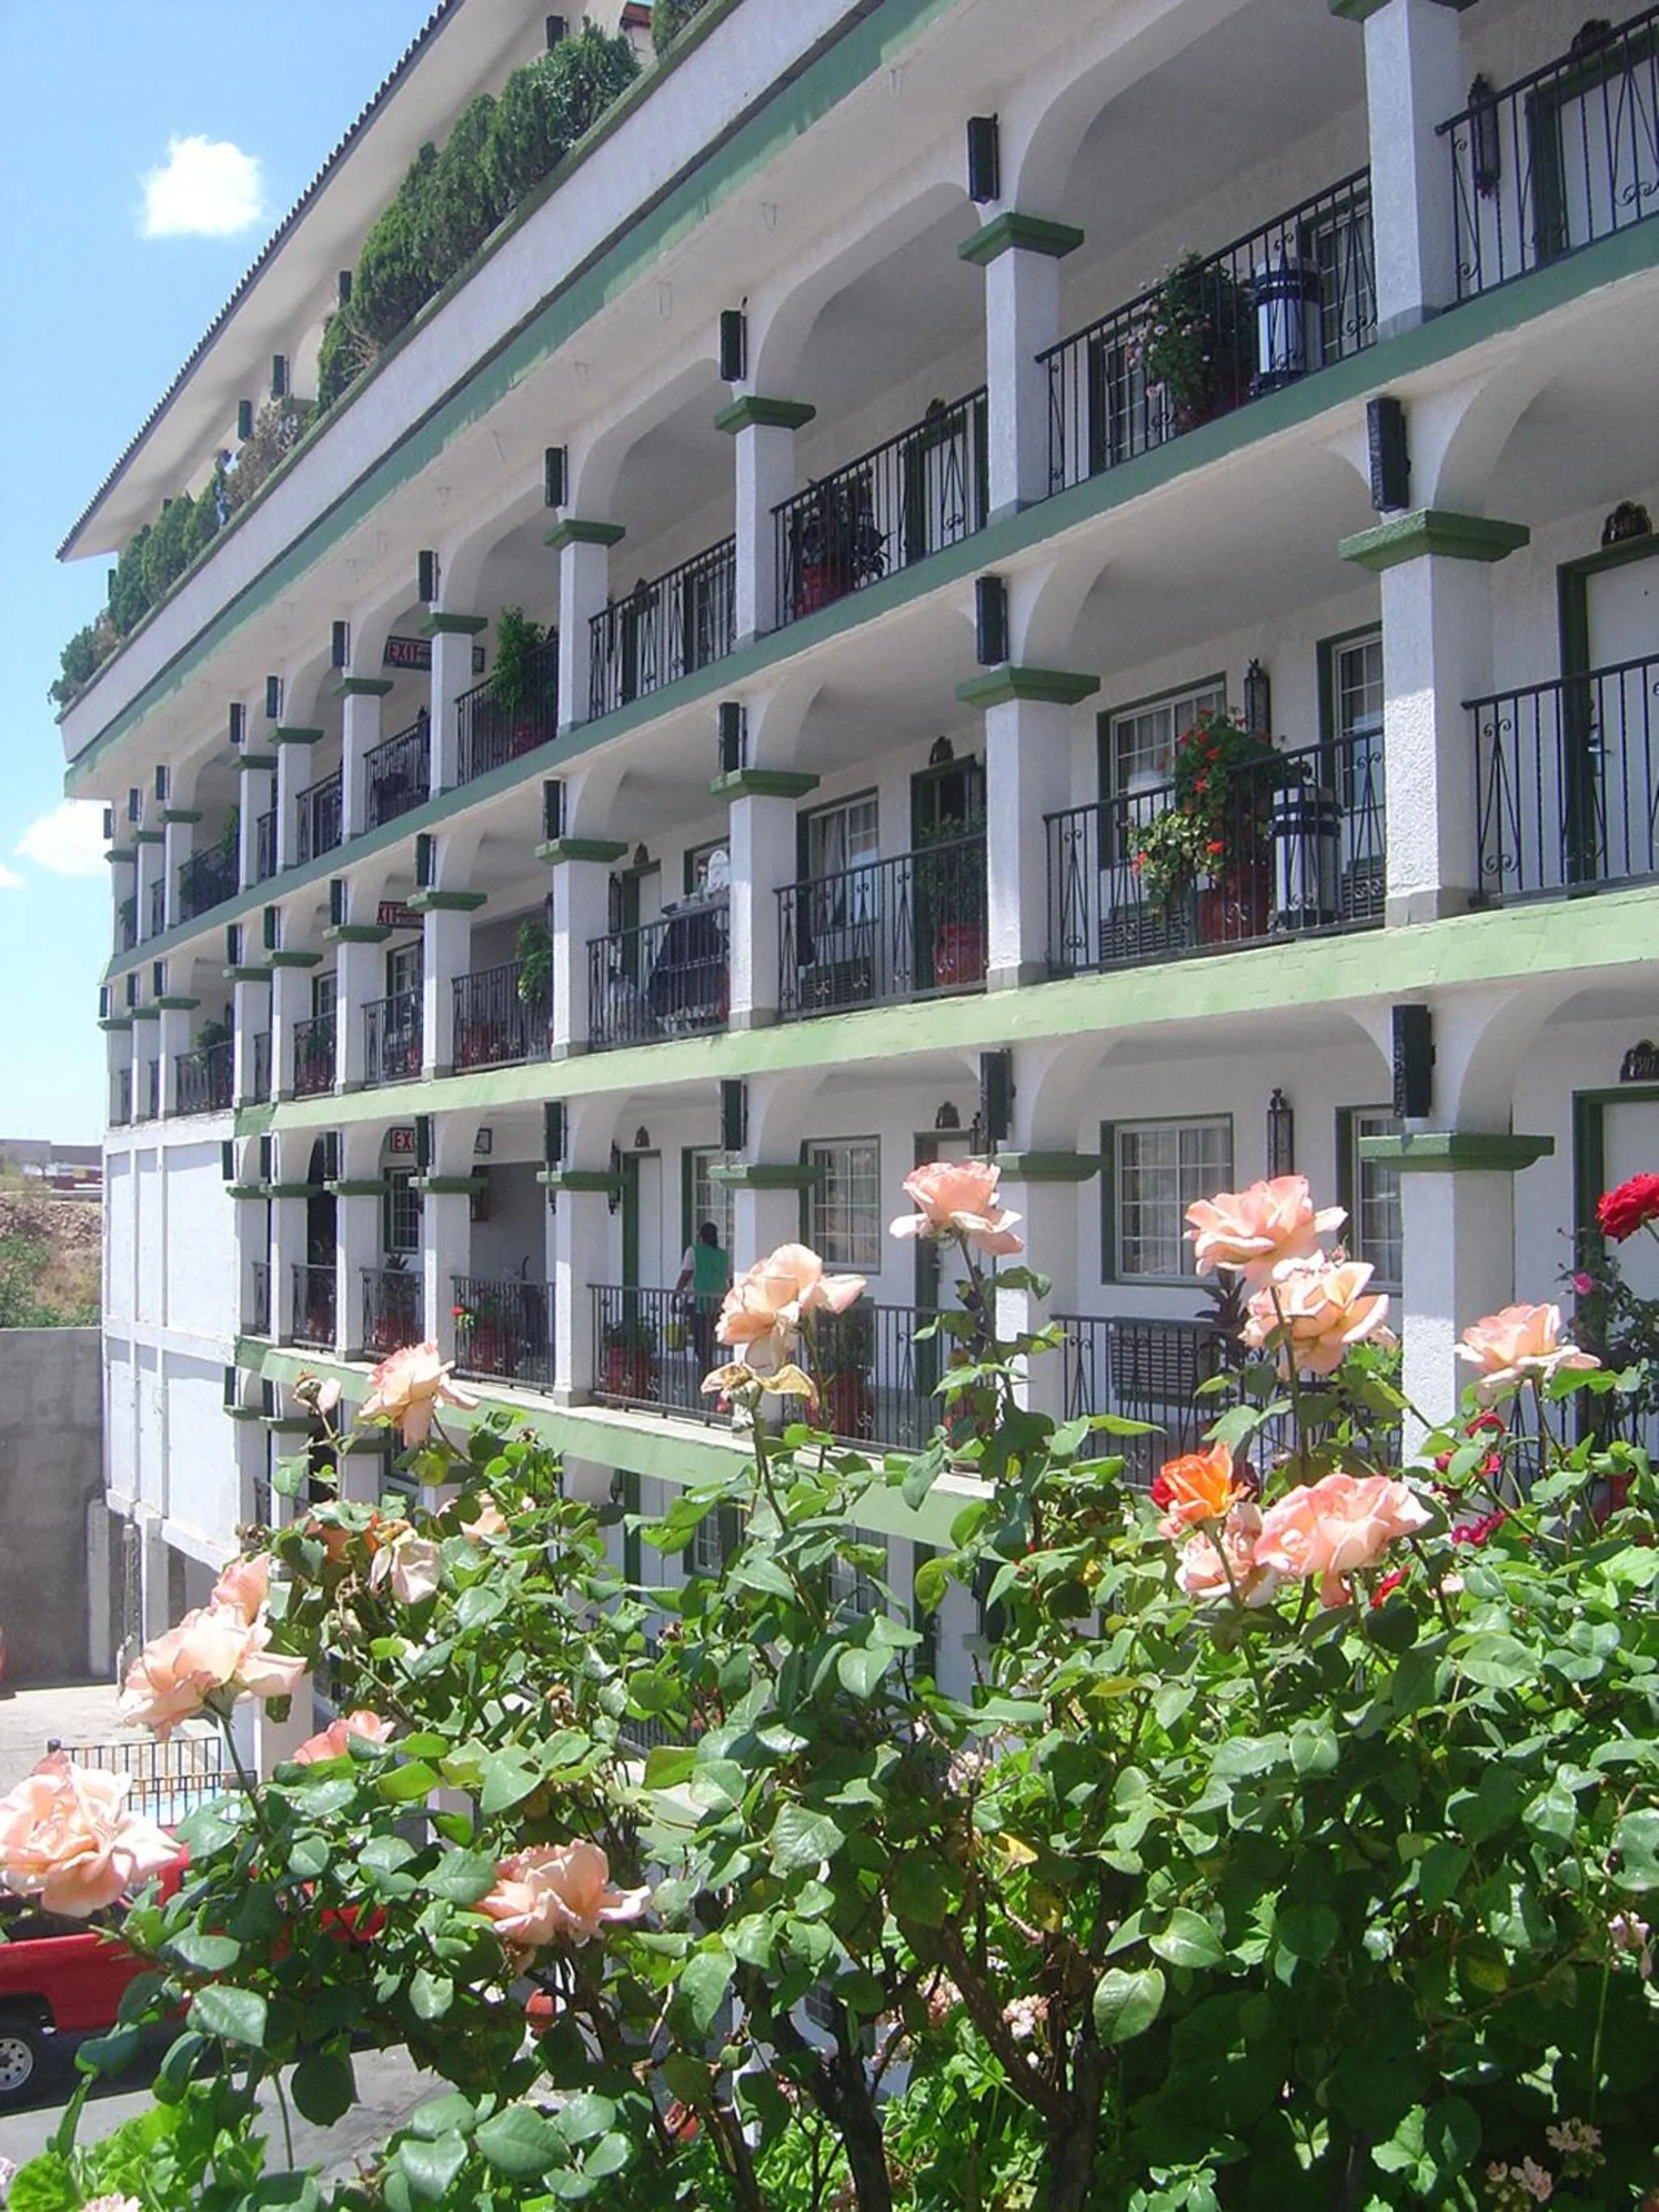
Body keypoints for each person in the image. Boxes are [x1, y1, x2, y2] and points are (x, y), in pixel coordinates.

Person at [675, 1221, 729, 1374]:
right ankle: (707, 1366)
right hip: (717, 1301)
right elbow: (729, 1278)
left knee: (699, 1338)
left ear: (701, 1237)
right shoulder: (722, 1255)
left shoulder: (693, 1252)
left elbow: (686, 1275)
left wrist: (675, 1295)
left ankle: (706, 1368)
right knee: (709, 1337)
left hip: (697, 1301)